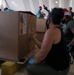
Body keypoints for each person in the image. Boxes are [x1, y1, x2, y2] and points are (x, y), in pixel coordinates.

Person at [26, 8, 70, 75]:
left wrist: (35, 62)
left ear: (49, 20)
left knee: (29, 67)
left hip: (59, 69)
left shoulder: (51, 31)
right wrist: (34, 38)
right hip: (65, 64)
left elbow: (42, 54)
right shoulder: (59, 30)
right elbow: (44, 47)